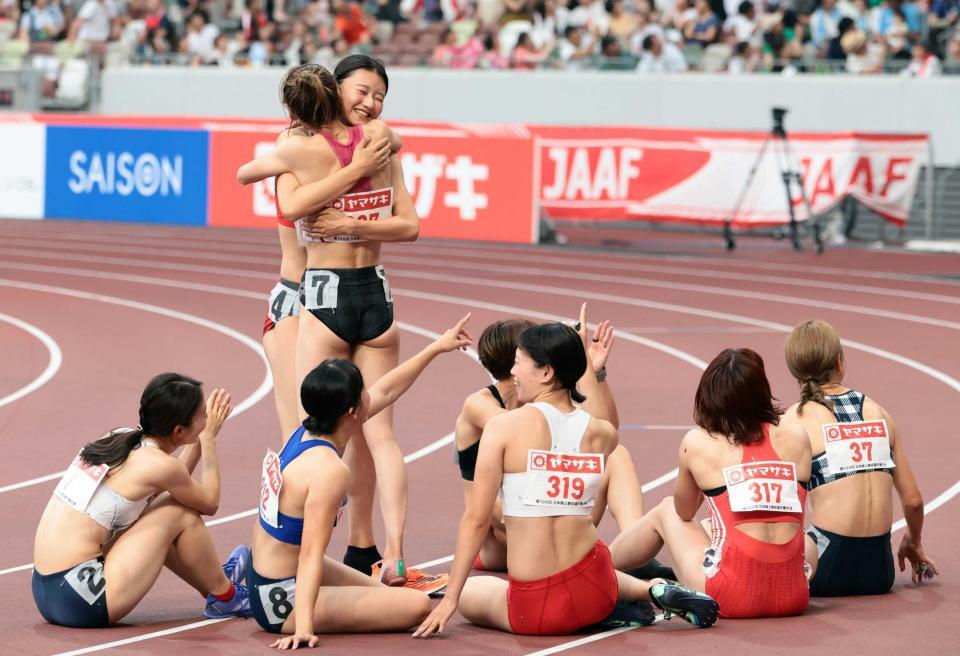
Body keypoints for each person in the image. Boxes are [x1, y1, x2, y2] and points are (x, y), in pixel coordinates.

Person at [242, 59, 438, 590]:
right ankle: (313, 554)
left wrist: (364, 165)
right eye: (362, 91)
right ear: (334, 90)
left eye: (380, 96)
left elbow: (258, 181)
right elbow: (290, 203)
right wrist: (361, 165)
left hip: (329, 292)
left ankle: (355, 548)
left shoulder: (360, 142)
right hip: (313, 296)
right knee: (323, 433)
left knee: (341, 432)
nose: (371, 103)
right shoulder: (308, 142)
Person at [414, 313, 718, 638]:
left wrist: (450, 600)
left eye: (518, 363)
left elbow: (476, 520)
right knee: (586, 561)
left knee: (471, 593)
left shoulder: (502, 427)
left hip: (537, 609)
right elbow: (606, 422)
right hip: (596, 587)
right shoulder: (600, 434)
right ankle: (648, 589)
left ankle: (640, 593)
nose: (512, 372)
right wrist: (588, 365)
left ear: (546, 372)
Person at [249, 315, 473, 648]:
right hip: (281, 598)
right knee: (416, 605)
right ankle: (300, 617)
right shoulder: (329, 471)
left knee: (387, 595)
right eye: (363, 391)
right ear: (352, 412)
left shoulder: (307, 429)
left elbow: (388, 389)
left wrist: (436, 348)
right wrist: (304, 627)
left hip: (267, 569)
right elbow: (311, 554)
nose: (372, 392)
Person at [456, 316, 672, 581]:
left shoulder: (539, 401)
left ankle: (635, 547)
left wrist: (594, 373)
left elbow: (604, 434)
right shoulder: (481, 405)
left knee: (617, 455)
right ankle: (611, 562)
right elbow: (534, 431)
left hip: (548, 520)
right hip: (504, 536)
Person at [32, 374, 250, 627]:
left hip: (47, 590)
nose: (208, 419)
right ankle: (225, 595)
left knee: (155, 511)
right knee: (180, 512)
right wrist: (208, 438)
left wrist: (201, 432)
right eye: (203, 415)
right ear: (179, 431)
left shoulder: (118, 437)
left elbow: (174, 478)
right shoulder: (157, 465)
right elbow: (209, 502)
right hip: (82, 601)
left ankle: (214, 581)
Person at [611, 348, 812, 619]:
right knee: (799, 537)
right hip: (793, 595)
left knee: (666, 510)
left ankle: (601, 569)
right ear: (762, 391)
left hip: (730, 595)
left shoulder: (699, 443)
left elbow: (684, 512)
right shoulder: (798, 437)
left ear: (710, 397)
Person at [783, 320, 937, 596]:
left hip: (825, 568)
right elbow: (913, 501)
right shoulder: (879, 413)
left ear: (794, 370)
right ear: (839, 363)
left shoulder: (794, 420)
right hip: (879, 572)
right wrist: (913, 541)